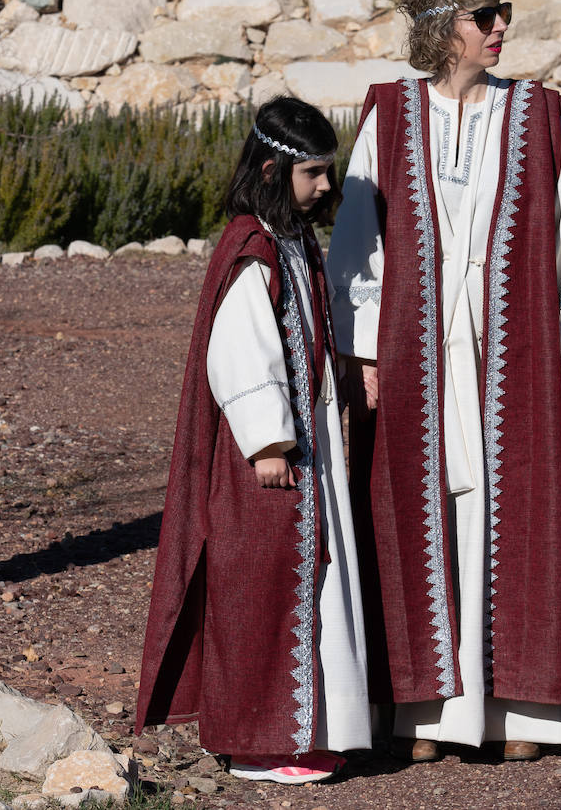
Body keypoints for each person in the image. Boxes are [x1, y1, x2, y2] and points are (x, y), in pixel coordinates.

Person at [325, 0, 561, 761]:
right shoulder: (388, 116)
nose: (500, 28)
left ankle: (520, 710)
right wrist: (364, 352)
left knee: (519, 512)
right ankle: (425, 714)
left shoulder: (539, 115)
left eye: (503, 13)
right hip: (414, 348)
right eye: (483, 15)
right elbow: (358, 244)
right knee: (417, 513)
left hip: (516, 347)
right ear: (439, 27)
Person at [136, 97, 369, 785]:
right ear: (273, 169)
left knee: (304, 583)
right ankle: (259, 740)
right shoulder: (253, 248)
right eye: (314, 174)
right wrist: (268, 442)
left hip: (304, 450)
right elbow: (238, 353)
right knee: (260, 587)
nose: (326, 186)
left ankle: (301, 729)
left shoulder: (292, 240)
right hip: (265, 461)